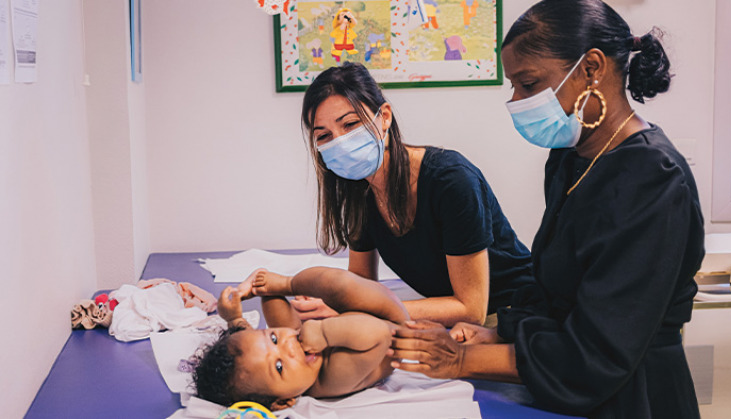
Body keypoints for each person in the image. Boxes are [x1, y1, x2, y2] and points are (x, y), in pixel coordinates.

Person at [389, 1, 704, 418]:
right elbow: (556, 292)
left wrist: (459, 360)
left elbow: (599, 351)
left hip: (633, 395)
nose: (516, 100)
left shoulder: (652, 179)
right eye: (513, 87)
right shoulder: (572, 158)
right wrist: (496, 331)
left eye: (529, 84)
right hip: (565, 385)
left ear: (592, 67)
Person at [295, 62, 534, 328]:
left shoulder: (451, 180)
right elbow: (360, 286)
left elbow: (470, 309)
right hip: (454, 318)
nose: (339, 141)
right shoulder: (359, 190)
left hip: (513, 312)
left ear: (384, 116)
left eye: (350, 124)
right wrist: (335, 302)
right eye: (324, 136)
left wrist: (364, 308)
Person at [192, 267, 409, 410]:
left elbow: (252, 345)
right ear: (284, 401)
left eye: (273, 339)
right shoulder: (332, 378)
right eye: (278, 367)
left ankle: (273, 287)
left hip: (339, 327)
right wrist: (324, 332)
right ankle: (289, 283)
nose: (288, 349)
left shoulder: (296, 357)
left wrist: (234, 317)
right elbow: (379, 334)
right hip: (392, 323)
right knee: (339, 283)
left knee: (275, 315)